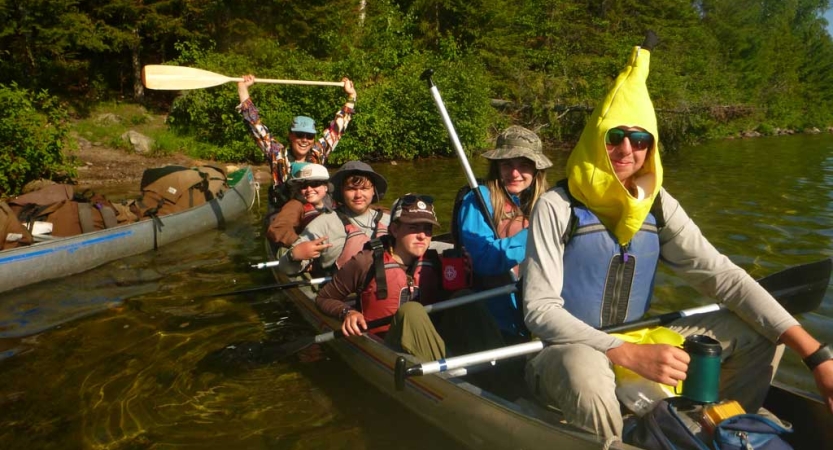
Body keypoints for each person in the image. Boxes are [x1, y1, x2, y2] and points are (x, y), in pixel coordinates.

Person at [521, 37, 833, 440]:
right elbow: (540, 312)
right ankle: (613, 441)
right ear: (597, 137)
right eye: (615, 136)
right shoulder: (557, 205)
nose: (626, 149)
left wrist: (815, 356)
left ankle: (717, 432)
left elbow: (726, 278)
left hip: (639, 336)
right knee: (585, 369)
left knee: (761, 332)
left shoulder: (658, 206)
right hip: (562, 351)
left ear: (651, 147)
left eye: (640, 139)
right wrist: (626, 353)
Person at [314, 193, 448, 361]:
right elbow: (324, 298)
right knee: (411, 310)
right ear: (394, 229)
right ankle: (444, 374)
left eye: (427, 229)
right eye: (413, 228)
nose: (422, 236)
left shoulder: (435, 261)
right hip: (387, 344)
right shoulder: (366, 261)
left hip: (429, 342)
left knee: (464, 297)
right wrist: (348, 312)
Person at [456, 125, 551, 340]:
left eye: (524, 165)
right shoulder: (478, 199)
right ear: (497, 167)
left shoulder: (547, 203)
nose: (515, 173)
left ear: (536, 169)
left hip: (540, 313)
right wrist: (538, 233)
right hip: (495, 316)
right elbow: (482, 259)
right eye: (507, 164)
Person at [236, 74, 356, 206]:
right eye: (299, 135)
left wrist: (351, 96)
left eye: (309, 136)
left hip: (313, 209)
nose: (304, 140)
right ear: (290, 136)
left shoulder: (318, 152)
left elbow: (337, 129)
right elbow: (255, 126)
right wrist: (243, 89)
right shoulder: (277, 153)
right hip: (284, 210)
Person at [278, 161, 389, 276]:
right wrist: (293, 256)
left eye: (364, 188)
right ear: (342, 191)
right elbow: (284, 267)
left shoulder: (389, 220)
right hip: (343, 291)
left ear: (373, 191)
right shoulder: (322, 224)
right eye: (351, 189)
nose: (358, 195)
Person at [265, 162, 334, 248]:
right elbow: (277, 229)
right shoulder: (295, 205)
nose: (309, 189)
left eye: (314, 184)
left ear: (326, 187)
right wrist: (301, 244)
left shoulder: (334, 203)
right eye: (304, 186)